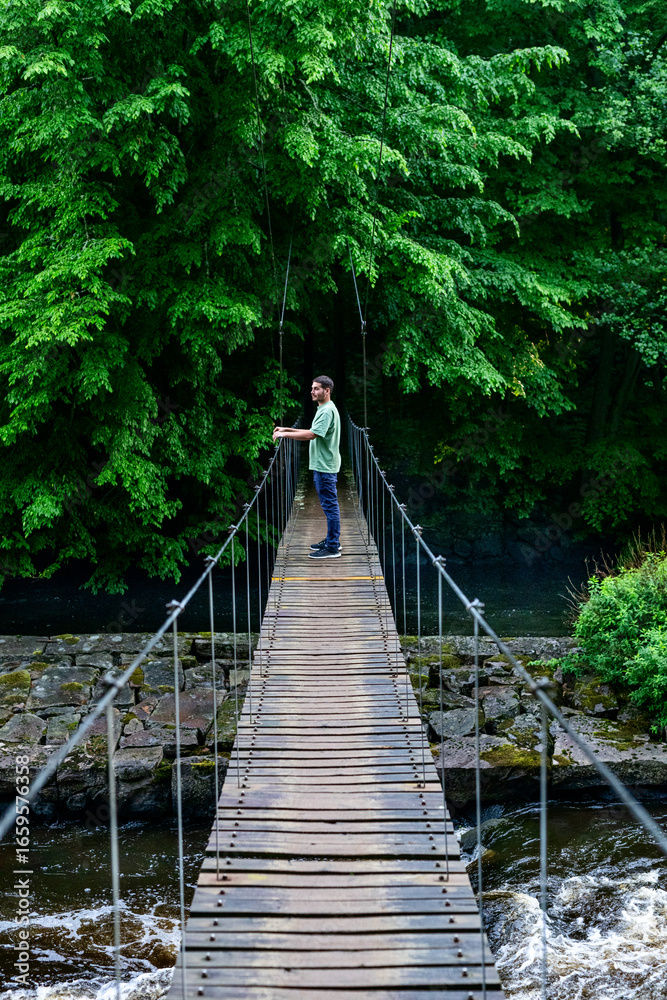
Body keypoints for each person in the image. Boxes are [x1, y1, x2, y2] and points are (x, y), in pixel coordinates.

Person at [272, 375, 342, 559]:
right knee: (329, 505)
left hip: (324, 466)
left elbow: (311, 435)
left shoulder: (326, 411)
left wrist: (284, 435)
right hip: (324, 464)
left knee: (330, 506)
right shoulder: (325, 408)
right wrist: (286, 429)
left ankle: (333, 546)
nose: (312, 391)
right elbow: (312, 431)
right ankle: (331, 540)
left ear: (327, 391)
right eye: (312, 388)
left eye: (317, 388)